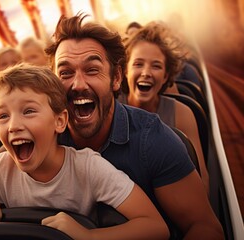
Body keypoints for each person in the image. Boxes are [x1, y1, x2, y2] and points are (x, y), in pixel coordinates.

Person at [0, 64, 169, 240]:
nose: (14, 125)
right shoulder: (1, 169)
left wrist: (87, 236)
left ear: (59, 121)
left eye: (29, 111)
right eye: (3, 116)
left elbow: (155, 226)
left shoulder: (89, 168)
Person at [45, 13, 224, 239]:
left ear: (117, 77)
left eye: (92, 70)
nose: (78, 84)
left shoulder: (156, 141)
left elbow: (205, 227)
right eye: (65, 73)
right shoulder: (39, 138)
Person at [122, 21, 210, 193]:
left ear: (165, 76)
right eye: (138, 64)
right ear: (125, 70)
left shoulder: (182, 114)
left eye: (156, 66)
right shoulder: (110, 107)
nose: (146, 72)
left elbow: (201, 180)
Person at [0, 47, 22, 130]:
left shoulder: (30, 82)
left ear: (21, 62)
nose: (10, 66)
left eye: (14, 62)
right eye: (4, 64)